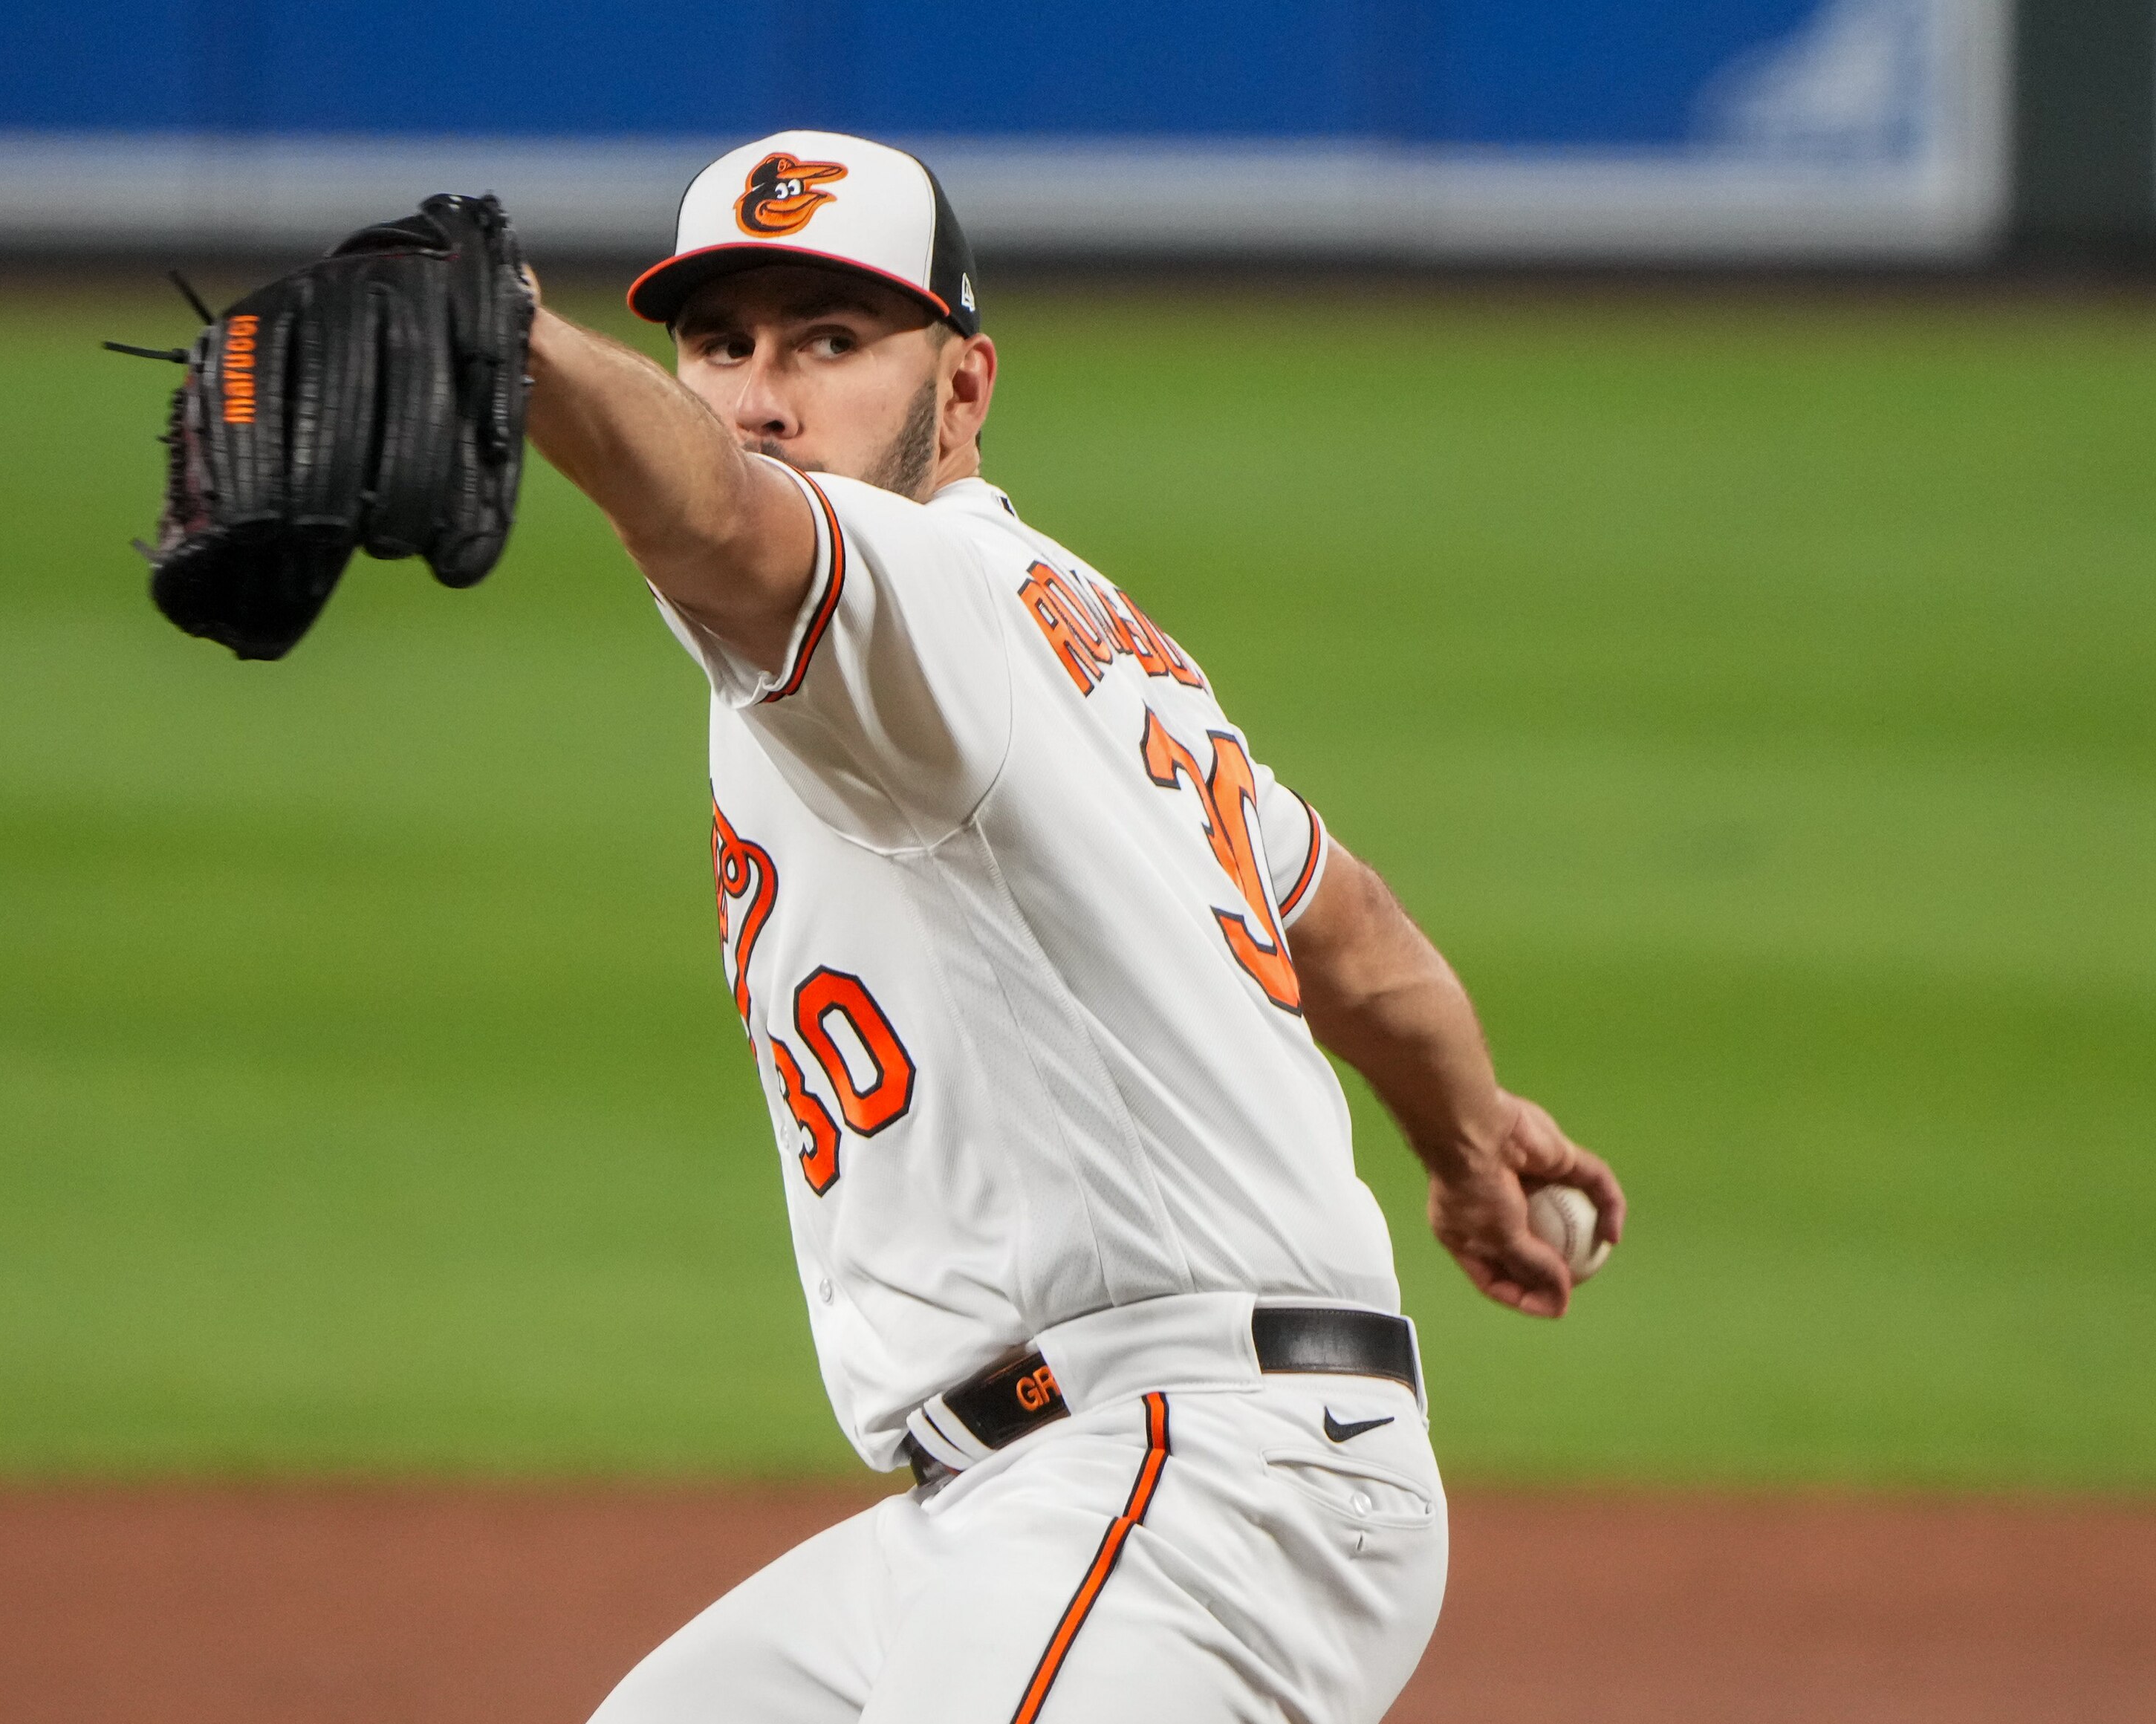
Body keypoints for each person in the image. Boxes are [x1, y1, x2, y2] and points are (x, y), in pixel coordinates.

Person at [522, 130, 1626, 1724]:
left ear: (959, 390)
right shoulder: (1089, 634)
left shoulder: (925, 596)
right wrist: (1464, 1146)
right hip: (1034, 1494)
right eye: (717, 343)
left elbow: (716, 523)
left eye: (830, 341)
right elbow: (1358, 937)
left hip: (1188, 1481)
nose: (761, 394)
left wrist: (521, 349)